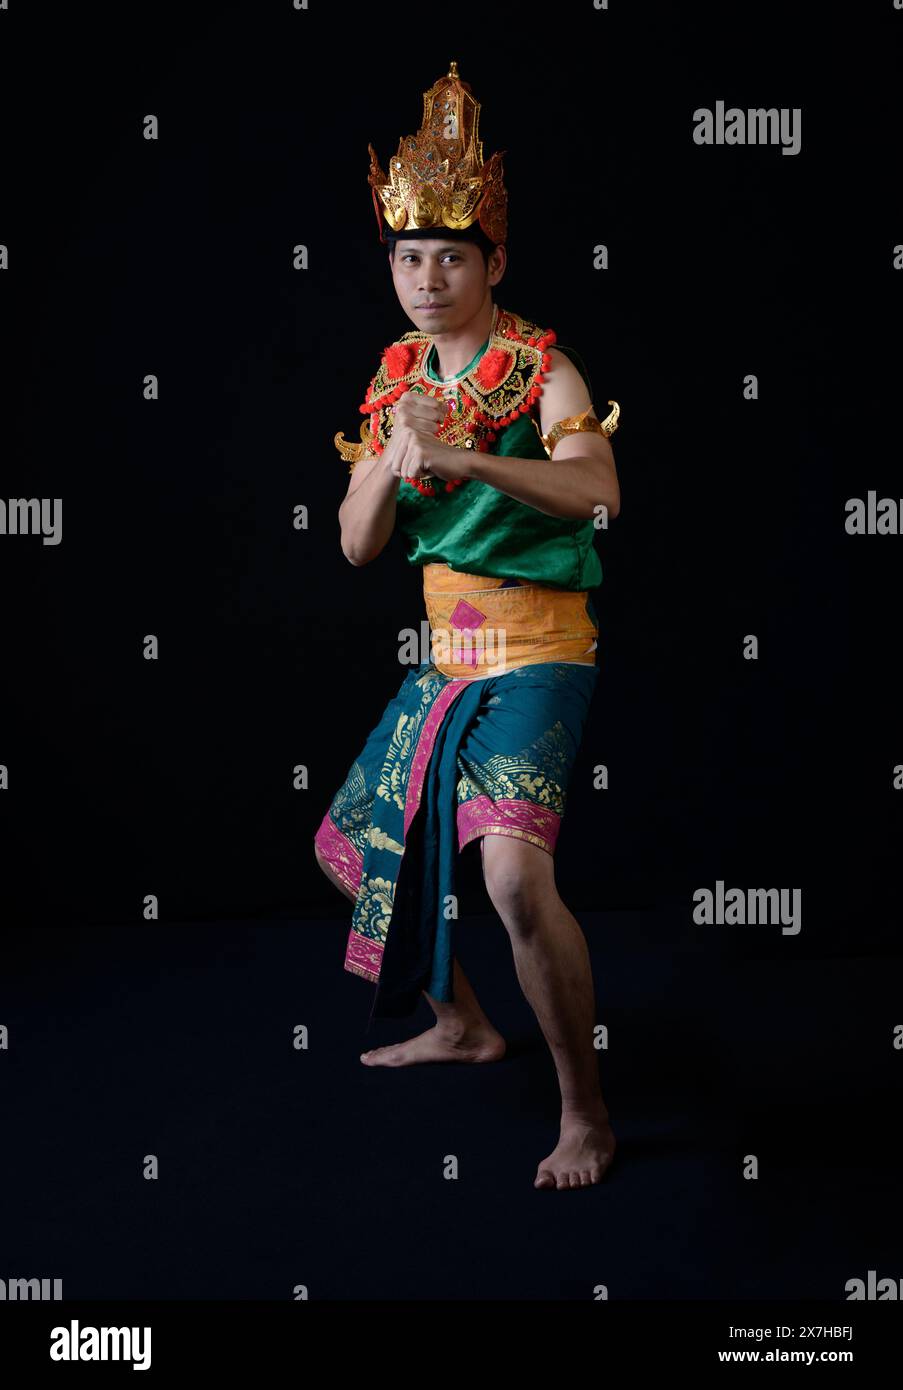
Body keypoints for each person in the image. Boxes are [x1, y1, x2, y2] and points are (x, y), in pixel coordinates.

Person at [314, 61, 622, 1190]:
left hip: (542, 652)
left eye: (451, 255)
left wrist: (459, 457)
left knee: (509, 881)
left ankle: (583, 1109)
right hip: (446, 660)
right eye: (408, 256)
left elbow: (600, 493)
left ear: (493, 262)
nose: (428, 277)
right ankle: (465, 1023)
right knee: (352, 851)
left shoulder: (541, 368)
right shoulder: (392, 381)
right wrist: (395, 463)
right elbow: (357, 546)